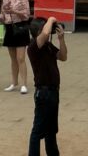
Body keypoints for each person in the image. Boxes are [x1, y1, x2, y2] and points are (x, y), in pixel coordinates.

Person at [27, 16, 67, 156]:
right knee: (38, 130)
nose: (49, 30)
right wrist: (50, 19)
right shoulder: (33, 47)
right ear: (39, 30)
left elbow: (63, 56)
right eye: (46, 27)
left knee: (51, 130)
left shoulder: (48, 46)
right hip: (43, 93)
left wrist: (61, 39)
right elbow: (44, 35)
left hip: (53, 92)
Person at [0, 0, 31, 94]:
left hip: (20, 27)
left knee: (20, 58)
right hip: (9, 28)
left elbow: (26, 15)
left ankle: (24, 84)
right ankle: (14, 82)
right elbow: (3, 16)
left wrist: (14, 11)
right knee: (13, 59)